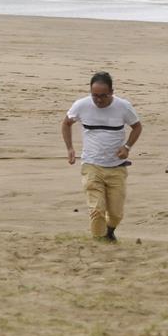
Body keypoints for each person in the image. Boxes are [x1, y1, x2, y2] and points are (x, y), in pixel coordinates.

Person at [61, 71, 143, 242]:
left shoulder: (123, 107)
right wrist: (69, 148)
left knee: (116, 214)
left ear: (111, 92)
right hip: (91, 165)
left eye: (103, 96)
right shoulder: (81, 105)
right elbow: (66, 123)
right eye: (95, 96)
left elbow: (137, 127)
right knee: (97, 209)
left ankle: (109, 232)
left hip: (117, 167)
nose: (98, 100)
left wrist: (127, 147)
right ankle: (99, 242)